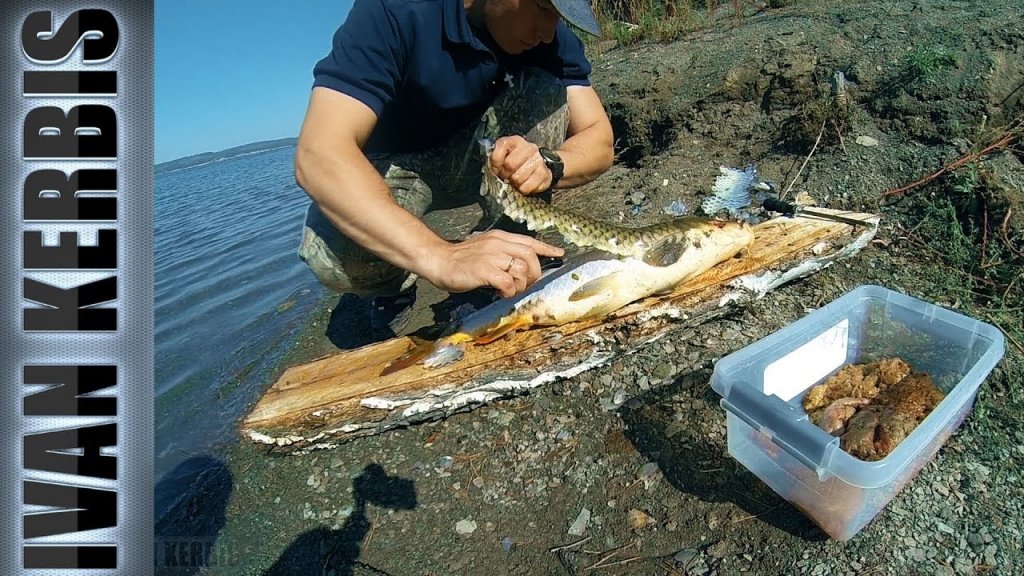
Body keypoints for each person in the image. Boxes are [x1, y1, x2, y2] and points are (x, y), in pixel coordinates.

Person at [294, 0, 615, 339]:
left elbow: (600, 138)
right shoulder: (395, 11)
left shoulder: (551, 38)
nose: (547, 31)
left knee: (549, 88)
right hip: (399, 165)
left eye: (558, 16)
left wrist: (549, 164)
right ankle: (396, 282)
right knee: (333, 252)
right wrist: (438, 256)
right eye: (542, 8)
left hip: (484, 155)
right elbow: (319, 153)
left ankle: (510, 251)